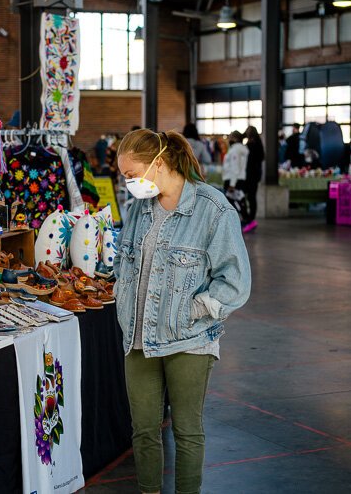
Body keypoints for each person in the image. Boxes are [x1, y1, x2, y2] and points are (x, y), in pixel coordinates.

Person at [114, 129, 251, 494]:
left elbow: (234, 281)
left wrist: (191, 310)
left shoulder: (213, 209)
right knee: (143, 430)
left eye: (130, 174)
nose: (127, 183)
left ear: (158, 163)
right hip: (138, 338)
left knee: (187, 431)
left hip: (188, 340)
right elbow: (123, 264)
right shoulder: (138, 209)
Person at [243, 126, 264, 232]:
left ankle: (249, 219)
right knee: (252, 197)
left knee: (249, 197)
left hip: (249, 175)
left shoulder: (250, 146)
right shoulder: (259, 145)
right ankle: (251, 219)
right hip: (256, 175)